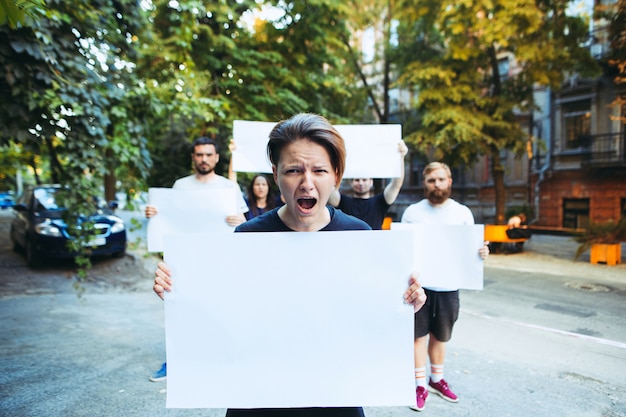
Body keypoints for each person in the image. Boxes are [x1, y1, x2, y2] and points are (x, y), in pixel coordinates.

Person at [153, 113, 428, 416]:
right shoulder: (248, 237)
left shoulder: (358, 236)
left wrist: (405, 304)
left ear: (336, 175)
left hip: (336, 396)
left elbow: (372, 316)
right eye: (294, 170)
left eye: (319, 170)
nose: (306, 183)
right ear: (275, 174)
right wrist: (179, 290)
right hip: (258, 397)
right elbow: (222, 312)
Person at [145, 136, 249, 382]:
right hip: (186, 258)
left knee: (220, 307)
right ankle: (175, 361)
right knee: (180, 308)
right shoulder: (181, 185)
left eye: (208, 154)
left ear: (216, 157)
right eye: (199, 154)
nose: (204, 159)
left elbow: (244, 223)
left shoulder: (227, 187)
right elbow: (170, 217)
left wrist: (239, 221)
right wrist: (154, 213)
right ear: (193, 158)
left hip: (219, 258)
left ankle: (219, 357)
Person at [400, 162, 489, 412]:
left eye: (440, 179)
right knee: (417, 335)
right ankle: (419, 385)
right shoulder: (412, 213)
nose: (436, 184)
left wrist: (481, 252)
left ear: (449, 181)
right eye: (431, 180)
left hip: (450, 286)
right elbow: (403, 251)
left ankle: (436, 380)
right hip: (419, 287)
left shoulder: (462, 213)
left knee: (441, 335)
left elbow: (471, 250)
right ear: (424, 183)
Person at [327, 141, 408, 229]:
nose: (361, 183)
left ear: (371, 182)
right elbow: (330, 188)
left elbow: (396, 185)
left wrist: (400, 157)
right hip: (350, 242)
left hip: (374, 242)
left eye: (364, 180)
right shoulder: (342, 202)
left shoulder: (380, 202)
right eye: (357, 180)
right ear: (351, 183)